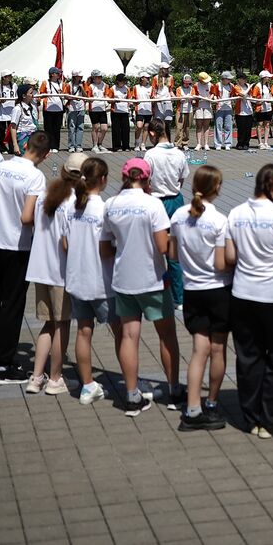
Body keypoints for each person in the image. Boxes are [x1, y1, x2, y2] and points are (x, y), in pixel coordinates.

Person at [219, 163, 273, 437]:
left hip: (242, 294)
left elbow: (230, 258)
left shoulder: (236, 213)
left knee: (248, 357)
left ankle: (251, 417)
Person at [102, 157, 182, 414]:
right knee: (167, 335)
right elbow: (162, 247)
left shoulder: (110, 204)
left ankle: (131, 394)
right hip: (153, 279)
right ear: (147, 179)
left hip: (124, 278)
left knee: (128, 336)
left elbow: (105, 248)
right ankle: (173, 390)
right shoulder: (153, 204)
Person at [0, 130, 50, 384]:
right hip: (16, 247)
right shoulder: (35, 177)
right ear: (46, 154)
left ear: (26, 145)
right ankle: (4, 365)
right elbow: (26, 217)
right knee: (12, 305)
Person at [173, 165, 231, 430]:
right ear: (216, 188)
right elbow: (221, 264)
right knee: (218, 349)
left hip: (192, 290)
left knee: (199, 351)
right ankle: (211, 403)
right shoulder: (219, 220)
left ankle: (192, 407)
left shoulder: (178, 215)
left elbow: (172, 254)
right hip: (218, 290)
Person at [60, 156, 121, 405]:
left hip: (76, 279)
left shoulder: (72, 206)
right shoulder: (103, 209)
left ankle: (87, 386)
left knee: (84, 332)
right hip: (101, 282)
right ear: (104, 179)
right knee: (123, 334)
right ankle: (130, 382)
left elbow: (64, 244)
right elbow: (107, 250)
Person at [25, 154, 86, 396]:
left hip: (40, 267)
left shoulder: (46, 194)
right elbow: (67, 242)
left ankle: (36, 376)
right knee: (62, 324)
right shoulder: (73, 202)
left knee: (48, 324)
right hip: (61, 271)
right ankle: (55, 378)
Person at [144, 119, 187, 308]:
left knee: (151, 249)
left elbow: (146, 180)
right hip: (176, 200)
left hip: (156, 201)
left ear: (153, 134)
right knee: (174, 252)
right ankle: (179, 298)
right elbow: (182, 179)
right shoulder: (179, 153)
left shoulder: (150, 155)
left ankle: (152, 294)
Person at [66, 69, 87, 152]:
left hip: (81, 108)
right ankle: (71, 145)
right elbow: (66, 96)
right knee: (72, 127)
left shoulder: (84, 84)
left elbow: (86, 96)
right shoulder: (68, 85)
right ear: (75, 77)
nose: (81, 77)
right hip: (72, 108)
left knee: (80, 127)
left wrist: (82, 88)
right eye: (79, 76)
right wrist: (74, 97)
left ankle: (78, 145)